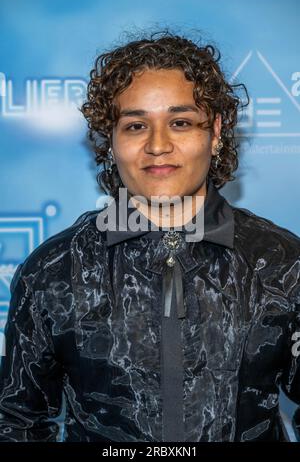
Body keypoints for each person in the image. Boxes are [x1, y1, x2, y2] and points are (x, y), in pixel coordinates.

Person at [0, 29, 299, 442]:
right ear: (112, 140)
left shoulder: (283, 262)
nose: (158, 145)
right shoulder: (54, 270)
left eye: (180, 122)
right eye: (136, 125)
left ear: (215, 132)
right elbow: (16, 422)